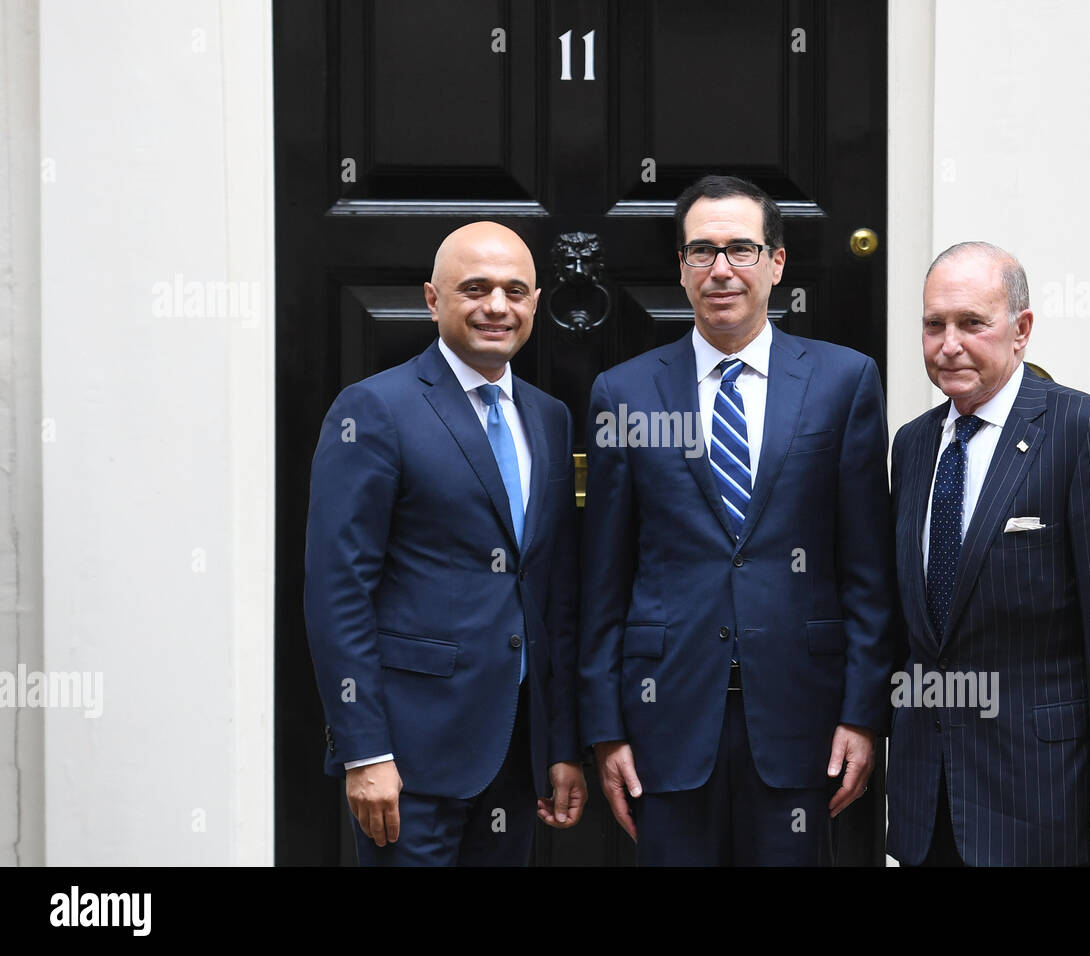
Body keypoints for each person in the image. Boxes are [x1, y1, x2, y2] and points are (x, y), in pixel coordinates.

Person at [579, 175, 895, 865]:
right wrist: (606, 729)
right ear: (682, 268)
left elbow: (867, 569)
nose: (721, 269)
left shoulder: (844, 383)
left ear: (776, 263)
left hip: (804, 722)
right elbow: (603, 578)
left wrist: (863, 714)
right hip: (662, 724)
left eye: (741, 249)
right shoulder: (625, 392)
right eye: (702, 251)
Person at [303, 221, 586, 865]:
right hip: (410, 761)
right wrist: (365, 751)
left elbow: (553, 595)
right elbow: (337, 592)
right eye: (476, 288)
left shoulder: (547, 416)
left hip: (516, 756)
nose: (497, 306)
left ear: (536, 304)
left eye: (515, 291)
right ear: (433, 299)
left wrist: (562, 745)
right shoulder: (373, 410)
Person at [887, 241, 1090, 867]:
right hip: (927, 796)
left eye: (972, 323)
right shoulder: (912, 445)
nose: (949, 343)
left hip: (1042, 796)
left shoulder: (1084, 434)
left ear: (1022, 330)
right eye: (934, 324)